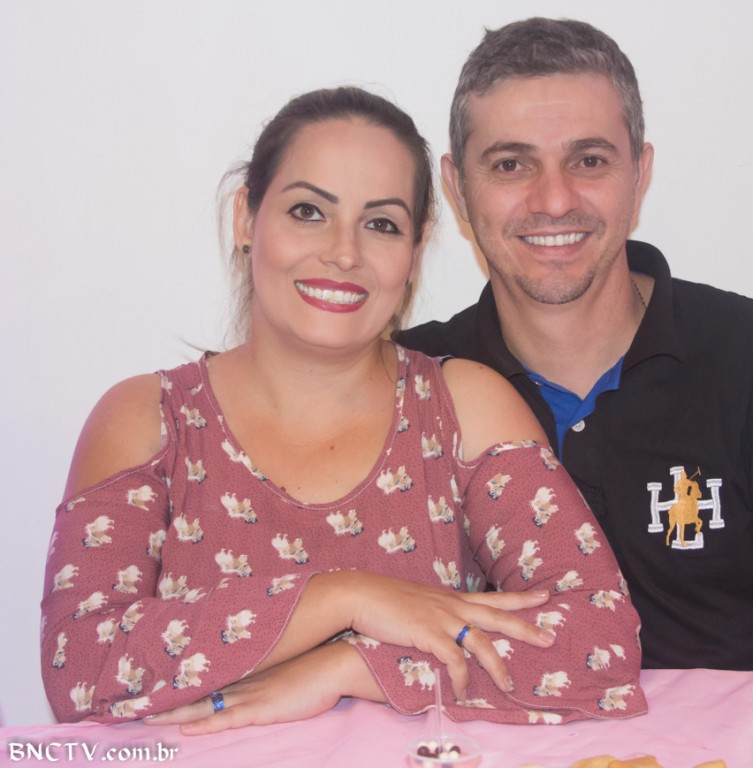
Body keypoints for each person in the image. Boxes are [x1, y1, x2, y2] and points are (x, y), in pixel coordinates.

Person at [40, 87, 646, 733]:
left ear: (415, 252)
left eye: (381, 224)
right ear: (246, 218)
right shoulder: (148, 419)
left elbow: (600, 641)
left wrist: (351, 667)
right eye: (308, 211)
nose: (345, 252)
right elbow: (80, 667)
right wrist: (344, 597)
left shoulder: (463, 408)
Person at [399, 18, 753, 676]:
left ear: (640, 174)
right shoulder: (407, 383)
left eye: (589, 161)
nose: (554, 200)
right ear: (459, 188)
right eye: (511, 164)